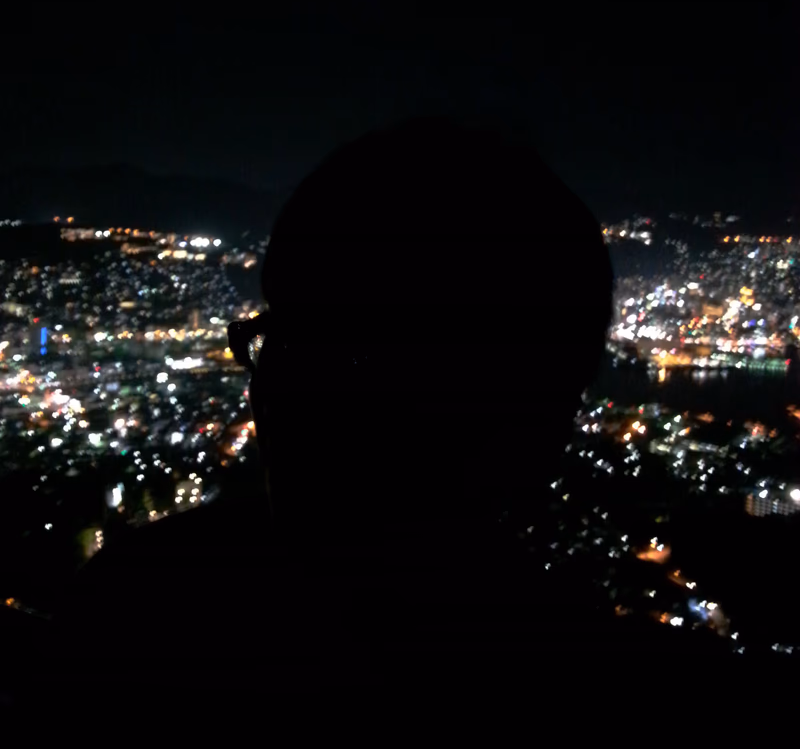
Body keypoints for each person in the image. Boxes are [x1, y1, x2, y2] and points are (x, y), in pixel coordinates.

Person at [46, 115, 729, 696]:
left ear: (530, 418)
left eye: (362, 356)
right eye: (286, 337)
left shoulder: (145, 617)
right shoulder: (137, 614)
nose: (287, 391)